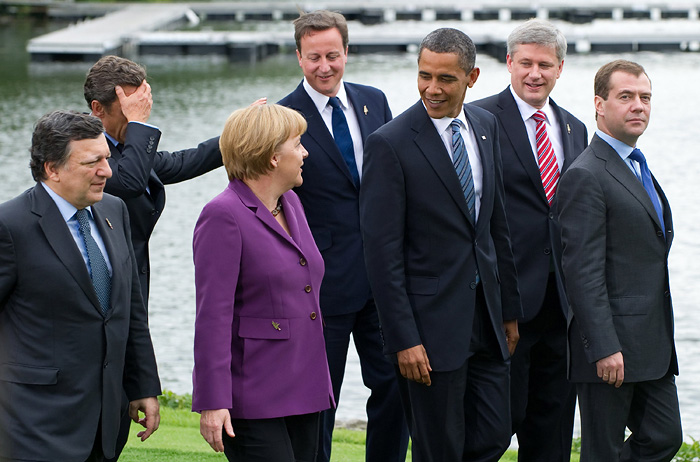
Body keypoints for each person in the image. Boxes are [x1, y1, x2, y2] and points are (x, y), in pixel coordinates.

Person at [360, 28, 522, 462]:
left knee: (493, 434)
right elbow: (381, 254)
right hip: (428, 331)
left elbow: (496, 227)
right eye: (424, 75)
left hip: (486, 321)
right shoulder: (389, 144)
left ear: (472, 77)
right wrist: (403, 339)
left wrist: (508, 311)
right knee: (439, 449)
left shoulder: (486, 126)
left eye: (446, 79)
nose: (432, 88)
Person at [277, 10, 408, 462]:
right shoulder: (281, 117)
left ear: (347, 53)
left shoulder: (375, 101)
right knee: (319, 398)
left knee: (394, 387)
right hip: (320, 285)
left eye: (333, 55)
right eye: (314, 57)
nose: (324, 66)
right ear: (299, 57)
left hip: (383, 280)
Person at [0, 110, 161, 462]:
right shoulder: (10, 226)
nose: (107, 170)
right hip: (32, 425)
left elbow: (130, 309)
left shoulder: (115, 210)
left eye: (106, 157)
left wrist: (143, 386)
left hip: (106, 422)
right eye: (93, 162)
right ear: (51, 169)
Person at [470, 19, 588, 461]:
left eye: (544, 65)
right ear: (508, 63)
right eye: (525, 64)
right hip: (506, 306)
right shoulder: (479, 120)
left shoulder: (575, 128)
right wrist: (498, 303)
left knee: (552, 435)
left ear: (560, 68)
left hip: (562, 305)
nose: (534, 74)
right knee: (494, 429)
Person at [192, 104, 334, 461]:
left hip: (306, 385)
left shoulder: (292, 203)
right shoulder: (222, 215)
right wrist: (213, 401)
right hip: (253, 396)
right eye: (297, 144)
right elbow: (213, 316)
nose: (305, 152)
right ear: (272, 157)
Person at [558, 59, 682, 461]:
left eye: (644, 97)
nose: (638, 106)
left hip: (651, 345)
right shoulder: (586, 173)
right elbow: (581, 270)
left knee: (664, 437)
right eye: (625, 97)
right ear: (599, 104)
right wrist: (604, 346)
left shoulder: (635, 165)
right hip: (609, 349)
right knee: (602, 450)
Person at [84, 55, 227, 308]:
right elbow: (130, 182)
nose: (136, 117)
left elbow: (184, 162)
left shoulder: (128, 150)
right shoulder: (85, 154)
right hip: (100, 295)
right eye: (128, 110)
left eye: (140, 108)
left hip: (133, 288)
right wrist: (139, 123)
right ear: (98, 109)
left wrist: (241, 133)